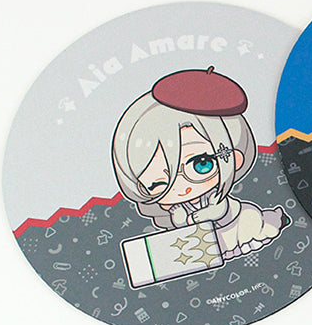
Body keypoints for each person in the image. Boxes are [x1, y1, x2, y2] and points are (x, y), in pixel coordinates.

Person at [111, 66, 289, 259]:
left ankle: (273, 221)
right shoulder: (177, 207)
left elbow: (228, 212)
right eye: (157, 184)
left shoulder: (215, 197)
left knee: (250, 224)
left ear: (234, 159)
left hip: (235, 225)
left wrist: (216, 212)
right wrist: (180, 220)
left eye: (201, 164)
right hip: (208, 242)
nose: (182, 188)